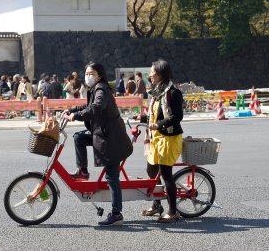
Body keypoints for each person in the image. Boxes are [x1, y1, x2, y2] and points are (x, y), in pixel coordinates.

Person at [63, 62, 133, 226]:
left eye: (91, 73)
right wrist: (71, 111)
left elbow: (96, 107)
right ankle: (83, 171)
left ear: (99, 75)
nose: (88, 76)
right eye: (86, 73)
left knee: (112, 177)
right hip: (102, 134)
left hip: (111, 139)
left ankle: (116, 214)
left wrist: (77, 116)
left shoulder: (101, 88)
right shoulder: (95, 88)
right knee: (79, 138)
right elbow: (88, 106)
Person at [138, 59, 183, 223]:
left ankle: (173, 212)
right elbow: (156, 114)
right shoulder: (158, 92)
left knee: (166, 175)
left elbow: (177, 116)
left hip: (169, 138)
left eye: (152, 72)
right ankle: (157, 204)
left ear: (160, 73)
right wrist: (142, 117)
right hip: (156, 137)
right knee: (151, 171)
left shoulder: (172, 92)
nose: (149, 75)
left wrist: (159, 124)